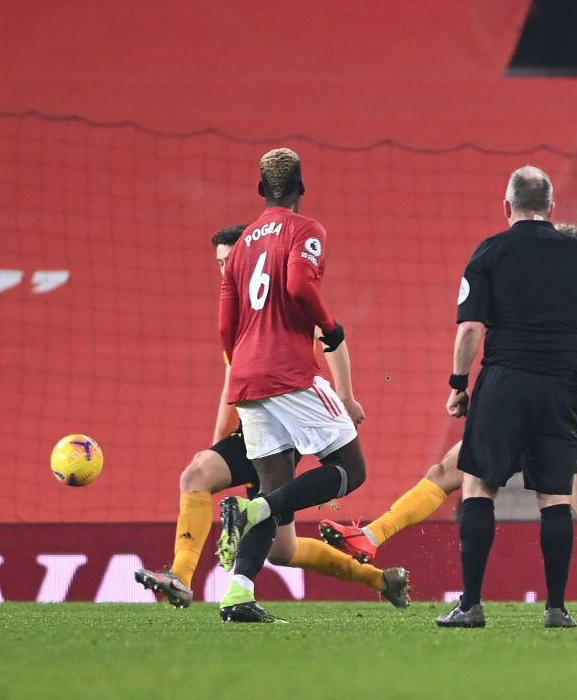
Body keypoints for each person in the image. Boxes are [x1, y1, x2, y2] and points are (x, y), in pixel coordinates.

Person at [320, 224, 577, 613]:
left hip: (552, 423)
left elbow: (576, 353)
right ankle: (372, 535)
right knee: (445, 472)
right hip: (520, 415)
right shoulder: (571, 309)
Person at [134, 224, 409, 611]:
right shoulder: (240, 308)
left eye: (230, 260)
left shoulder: (273, 302)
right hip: (253, 424)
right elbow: (231, 385)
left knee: (257, 525)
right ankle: (378, 579)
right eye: (219, 263)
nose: (225, 268)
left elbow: (331, 338)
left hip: (284, 423)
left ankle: (185, 577)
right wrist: (217, 444)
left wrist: (345, 395)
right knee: (273, 540)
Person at [431, 166, 577, 629]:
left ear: (507, 206)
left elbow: (470, 327)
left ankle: (471, 605)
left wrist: (458, 385)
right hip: (560, 385)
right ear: (552, 208)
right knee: (555, 496)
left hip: (505, 380)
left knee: (477, 485)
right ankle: (556, 608)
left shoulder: (490, 251)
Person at [214, 147, 375, 623]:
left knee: (273, 481)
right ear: (301, 187)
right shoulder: (306, 230)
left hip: (245, 375)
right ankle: (255, 512)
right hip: (289, 370)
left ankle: (238, 594)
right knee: (350, 467)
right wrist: (330, 328)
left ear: (261, 189)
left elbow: (226, 324)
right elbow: (299, 285)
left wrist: (242, 360)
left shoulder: (241, 245)